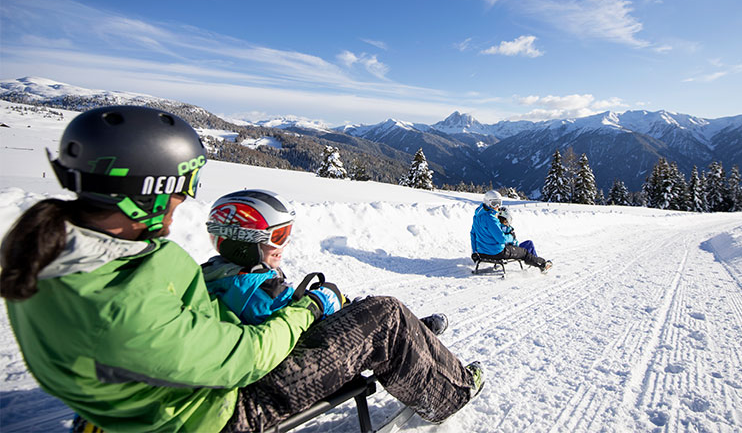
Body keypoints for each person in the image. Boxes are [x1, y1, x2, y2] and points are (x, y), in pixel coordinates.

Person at [0, 106, 483, 433]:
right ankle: (454, 390)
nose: (181, 201)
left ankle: (411, 342)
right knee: (385, 316)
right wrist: (306, 310)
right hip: (223, 410)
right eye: (178, 188)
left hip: (149, 401)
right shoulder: (117, 308)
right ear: (143, 190)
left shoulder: (46, 259)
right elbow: (246, 357)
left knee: (360, 322)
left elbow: (188, 319)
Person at [201, 188, 449, 334]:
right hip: (308, 356)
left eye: (286, 234)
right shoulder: (254, 291)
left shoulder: (221, 276)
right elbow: (290, 323)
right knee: (378, 309)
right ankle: (404, 332)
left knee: (353, 304)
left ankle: (405, 326)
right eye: (278, 236)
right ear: (245, 240)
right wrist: (323, 299)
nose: (284, 244)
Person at [470, 190, 552, 271]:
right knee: (524, 252)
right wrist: (511, 237)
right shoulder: (491, 219)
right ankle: (543, 265)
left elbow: (473, 234)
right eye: (494, 203)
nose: (497, 206)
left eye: (499, 203)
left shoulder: (477, 216)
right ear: (487, 202)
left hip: (482, 253)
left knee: (519, 249)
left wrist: (475, 251)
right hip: (496, 252)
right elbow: (501, 239)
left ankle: (539, 263)